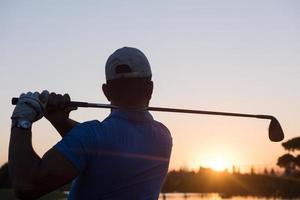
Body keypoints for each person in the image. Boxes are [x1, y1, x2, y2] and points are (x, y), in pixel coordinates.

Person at [9, 47, 173, 200]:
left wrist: (21, 119)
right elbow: (104, 147)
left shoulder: (91, 136)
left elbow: (26, 185)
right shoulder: (163, 136)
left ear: (105, 91)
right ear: (150, 88)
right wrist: (60, 121)